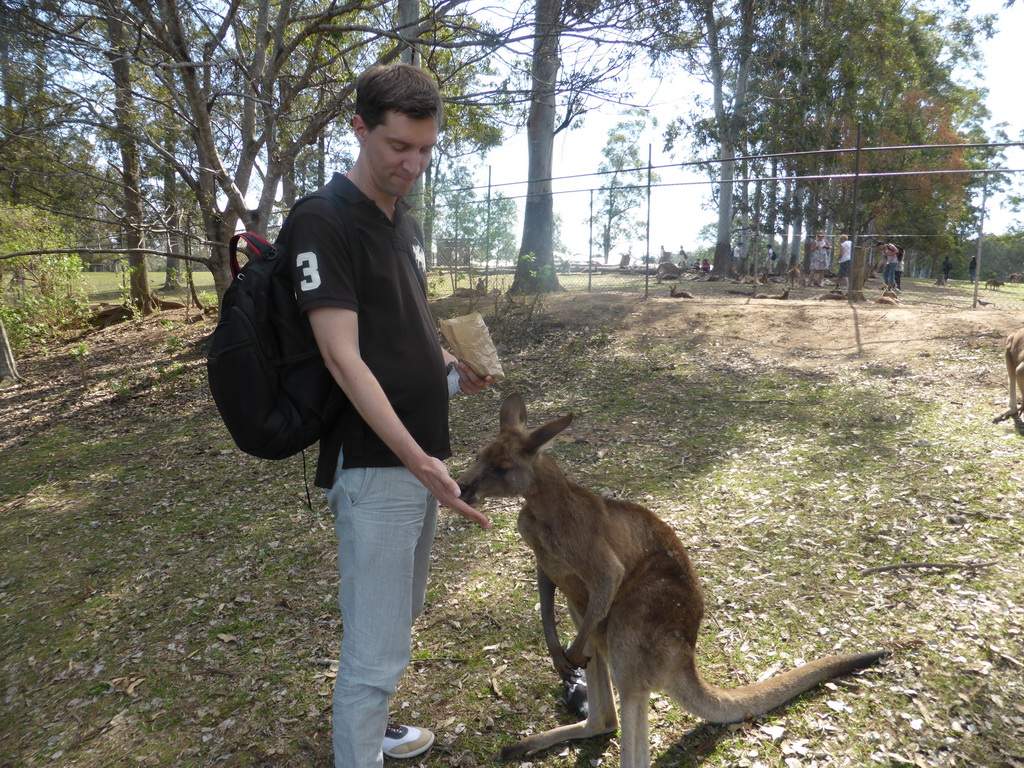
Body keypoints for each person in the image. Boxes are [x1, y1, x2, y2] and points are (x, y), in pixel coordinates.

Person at [289, 64, 493, 768]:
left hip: (417, 464)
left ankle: (372, 732)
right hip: (380, 468)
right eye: (398, 146)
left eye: (426, 149)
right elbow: (344, 359)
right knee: (374, 652)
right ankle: (359, 747)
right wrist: (419, 461)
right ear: (359, 128)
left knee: (396, 617)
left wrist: (448, 380)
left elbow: (393, 345)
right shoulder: (323, 219)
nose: (413, 165)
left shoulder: (401, 222)